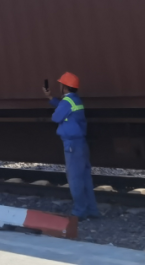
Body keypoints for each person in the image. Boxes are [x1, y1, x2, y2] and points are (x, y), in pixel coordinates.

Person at [43, 71, 99, 220]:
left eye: (61, 84)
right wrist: (51, 98)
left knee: (75, 178)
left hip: (71, 144)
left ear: (65, 87)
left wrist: (55, 103)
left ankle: (79, 211)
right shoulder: (76, 100)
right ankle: (92, 210)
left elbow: (56, 117)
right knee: (85, 178)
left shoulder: (67, 102)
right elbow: (66, 109)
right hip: (81, 143)